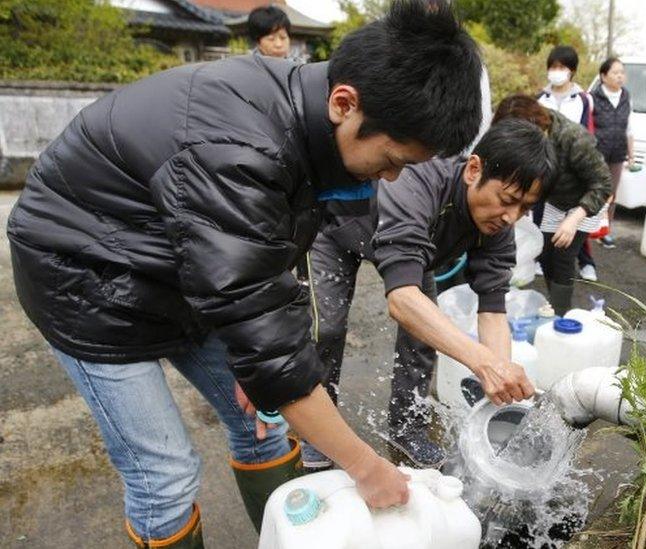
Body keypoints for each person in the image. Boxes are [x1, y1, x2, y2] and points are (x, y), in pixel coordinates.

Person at [5, 1, 491, 546]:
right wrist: (367, 467)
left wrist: (260, 358)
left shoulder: (310, 127)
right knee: (164, 475)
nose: (394, 177)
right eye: (394, 159)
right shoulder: (238, 151)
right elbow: (264, 326)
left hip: (172, 265)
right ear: (344, 103)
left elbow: (266, 278)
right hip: (80, 276)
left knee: (266, 423)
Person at [302, 120, 554, 470]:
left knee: (423, 339)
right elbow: (401, 299)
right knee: (325, 330)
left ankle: (408, 428)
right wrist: (482, 363)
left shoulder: (499, 224)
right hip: (338, 232)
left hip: (413, 252)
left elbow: (493, 310)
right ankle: (316, 434)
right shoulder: (419, 180)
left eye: (525, 208)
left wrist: (500, 382)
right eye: (508, 200)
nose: (512, 217)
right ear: (474, 170)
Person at [493, 95, 612, 316]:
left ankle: (560, 315)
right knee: (546, 254)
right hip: (558, 200)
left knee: (563, 254)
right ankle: (554, 306)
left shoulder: (572, 137)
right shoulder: (531, 140)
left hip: (589, 200)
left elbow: (603, 184)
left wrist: (574, 219)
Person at [534, 45, 603, 282]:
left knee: (576, 222)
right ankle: (541, 258)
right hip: (545, 169)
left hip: (574, 170)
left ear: (571, 71)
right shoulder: (540, 98)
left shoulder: (583, 99)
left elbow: (588, 132)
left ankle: (586, 262)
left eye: (561, 67)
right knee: (541, 217)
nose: (556, 71)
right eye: (552, 67)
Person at [590, 57, 634, 249]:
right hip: (596, 153)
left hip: (617, 153)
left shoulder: (626, 97)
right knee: (592, 190)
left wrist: (631, 154)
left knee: (611, 194)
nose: (620, 76)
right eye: (615, 72)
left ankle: (605, 231)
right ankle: (587, 228)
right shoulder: (592, 97)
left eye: (622, 72)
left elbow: (629, 128)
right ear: (603, 76)